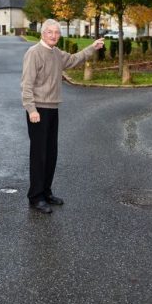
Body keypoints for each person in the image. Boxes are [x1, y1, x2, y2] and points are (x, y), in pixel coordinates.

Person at [21, 19, 105, 214]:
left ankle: (46, 192)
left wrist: (92, 47)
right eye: (50, 32)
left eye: (56, 32)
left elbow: (75, 59)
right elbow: (26, 85)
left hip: (52, 108)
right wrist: (31, 109)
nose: (53, 35)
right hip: (38, 111)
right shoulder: (33, 53)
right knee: (39, 155)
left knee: (51, 153)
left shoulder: (57, 53)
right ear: (43, 33)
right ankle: (35, 197)